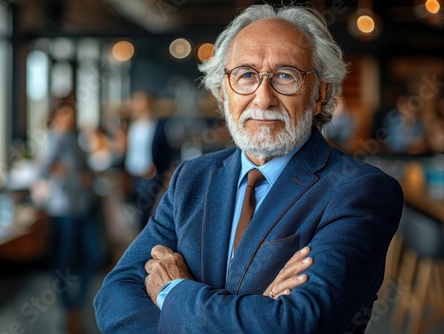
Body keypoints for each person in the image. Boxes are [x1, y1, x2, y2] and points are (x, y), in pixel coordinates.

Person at [94, 4, 403, 333]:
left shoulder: (360, 191)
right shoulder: (191, 178)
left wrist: (173, 293)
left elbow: (297, 323)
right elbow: (114, 298)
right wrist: (258, 310)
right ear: (222, 93)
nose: (263, 98)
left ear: (319, 94)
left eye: (285, 75)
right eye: (246, 75)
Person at [32, 96, 102, 334]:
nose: (69, 117)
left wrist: (77, 175)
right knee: (63, 262)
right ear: (56, 114)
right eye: (65, 113)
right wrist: (72, 176)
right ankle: (69, 309)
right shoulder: (55, 140)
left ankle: (75, 309)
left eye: (71, 113)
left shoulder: (74, 139)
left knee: (93, 257)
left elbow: (88, 171)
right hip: (64, 209)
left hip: (83, 206)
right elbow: (41, 172)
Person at [124, 90, 173, 229]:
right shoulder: (133, 125)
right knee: (134, 211)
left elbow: (165, 151)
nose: (140, 104)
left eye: (143, 100)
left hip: (151, 176)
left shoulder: (159, 125)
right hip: (133, 175)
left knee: (146, 213)